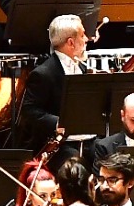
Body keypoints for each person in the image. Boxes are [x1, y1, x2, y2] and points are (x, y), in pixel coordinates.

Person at [17, 13, 91, 151]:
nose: (86, 39)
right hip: (60, 144)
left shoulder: (82, 67)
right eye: (82, 35)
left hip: (88, 140)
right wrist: (58, 123)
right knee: (74, 167)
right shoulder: (43, 74)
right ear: (70, 42)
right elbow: (30, 111)